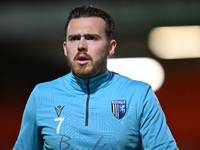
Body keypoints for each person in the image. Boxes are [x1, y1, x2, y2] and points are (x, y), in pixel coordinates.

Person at [13, 5, 179, 150]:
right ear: (65, 48)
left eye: (92, 38)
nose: (81, 46)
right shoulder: (42, 95)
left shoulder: (139, 96)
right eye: (74, 38)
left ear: (110, 47)